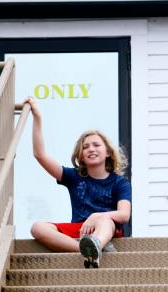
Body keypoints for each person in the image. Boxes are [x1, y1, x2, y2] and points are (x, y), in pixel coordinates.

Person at [23, 96, 131, 267]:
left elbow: (124, 215)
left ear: (108, 152)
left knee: (105, 221)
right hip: (81, 230)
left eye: (96, 145)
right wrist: (37, 117)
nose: (91, 149)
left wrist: (96, 216)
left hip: (106, 230)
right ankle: (85, 250)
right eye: (86, 147)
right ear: (80, 155)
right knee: (38, 227)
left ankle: (97, 244)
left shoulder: (119, 183)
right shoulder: (74, 177)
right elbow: (40, 155)